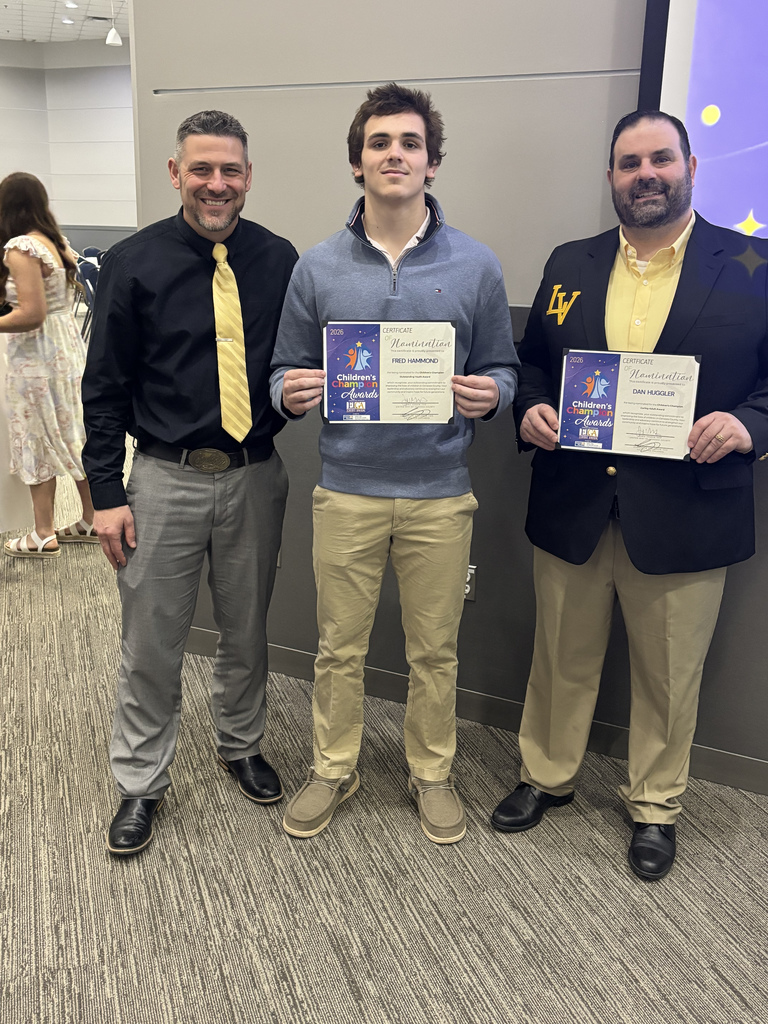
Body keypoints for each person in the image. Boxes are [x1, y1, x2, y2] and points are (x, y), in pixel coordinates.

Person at [491, 110, 768, 880]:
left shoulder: (754, 263)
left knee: (670, 672)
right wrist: (531, 407)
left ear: (690, 166)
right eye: (628, 162)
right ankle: (546, 775)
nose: (645, 174)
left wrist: (747, 425)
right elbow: (535, 363)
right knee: (560, 656)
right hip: (575, 498)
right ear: (611, 177)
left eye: (659, 159)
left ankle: (655, 806)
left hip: (687, 508)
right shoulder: (570, 261)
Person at [270, 83, 519, 844]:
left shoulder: (476, 264)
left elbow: (504, 369)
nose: (394, 155)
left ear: (431, 163)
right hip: (345, 490)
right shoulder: (316, 266)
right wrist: (292, 390)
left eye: (409, 143)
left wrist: (492, 396)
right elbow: (282, 370)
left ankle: (432, 772)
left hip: (440, 493)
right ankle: (333, 767)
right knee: (338, 648)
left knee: (434, 650)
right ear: (357, 163)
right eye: (379, 143)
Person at [81, 110, 298, 856]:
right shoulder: (131, 263)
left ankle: (240, 744)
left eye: (230, 170)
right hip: (163, 481)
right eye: (201, 169)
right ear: (176, 173)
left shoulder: (279, 258)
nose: (216, 184)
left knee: (247, 632)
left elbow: (288, 367)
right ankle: (141, 782)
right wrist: (105, 494)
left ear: (247, 176)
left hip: (256, 476)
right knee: (152, 642)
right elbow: (103, 388)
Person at [0, 172, 96, 557]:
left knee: (37, 438)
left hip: (34, 358)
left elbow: (31, 314)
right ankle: (90, 518)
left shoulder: (20, 248)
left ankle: (42, 533)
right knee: (72, 435)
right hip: (62, 351)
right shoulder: (54, 243)